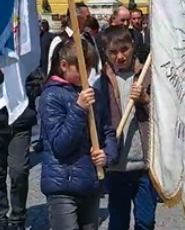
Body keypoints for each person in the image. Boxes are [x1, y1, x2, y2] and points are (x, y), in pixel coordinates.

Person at [40, 37, 118, 230]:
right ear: (64, 65)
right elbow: (61, 145)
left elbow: (108, 131)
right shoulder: (51, 96)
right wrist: (79, 109)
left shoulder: (94, 95)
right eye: (81, 68)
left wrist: (107, 155)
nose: (86, 74)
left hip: (89, 182)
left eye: (90, 68)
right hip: (62, 184)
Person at [99, 26, 160, 230]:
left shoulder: (148, 76)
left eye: (124, 49)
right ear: (105, 53)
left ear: (133, 46)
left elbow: (162, 118)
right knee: (118, 221)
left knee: (145, 221)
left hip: (144, 165)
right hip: (117, 166)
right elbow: (97, 121)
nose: (120, 56)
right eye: (113, 52)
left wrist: (145, 99)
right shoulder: (102, 82)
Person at [0, 67, 44, 230]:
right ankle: (0, 218)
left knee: (19, 172)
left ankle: (17, 218)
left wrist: (24, 86)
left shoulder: (24, 58)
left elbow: (39, 82)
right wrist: (0, 75)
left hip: (20, 126)